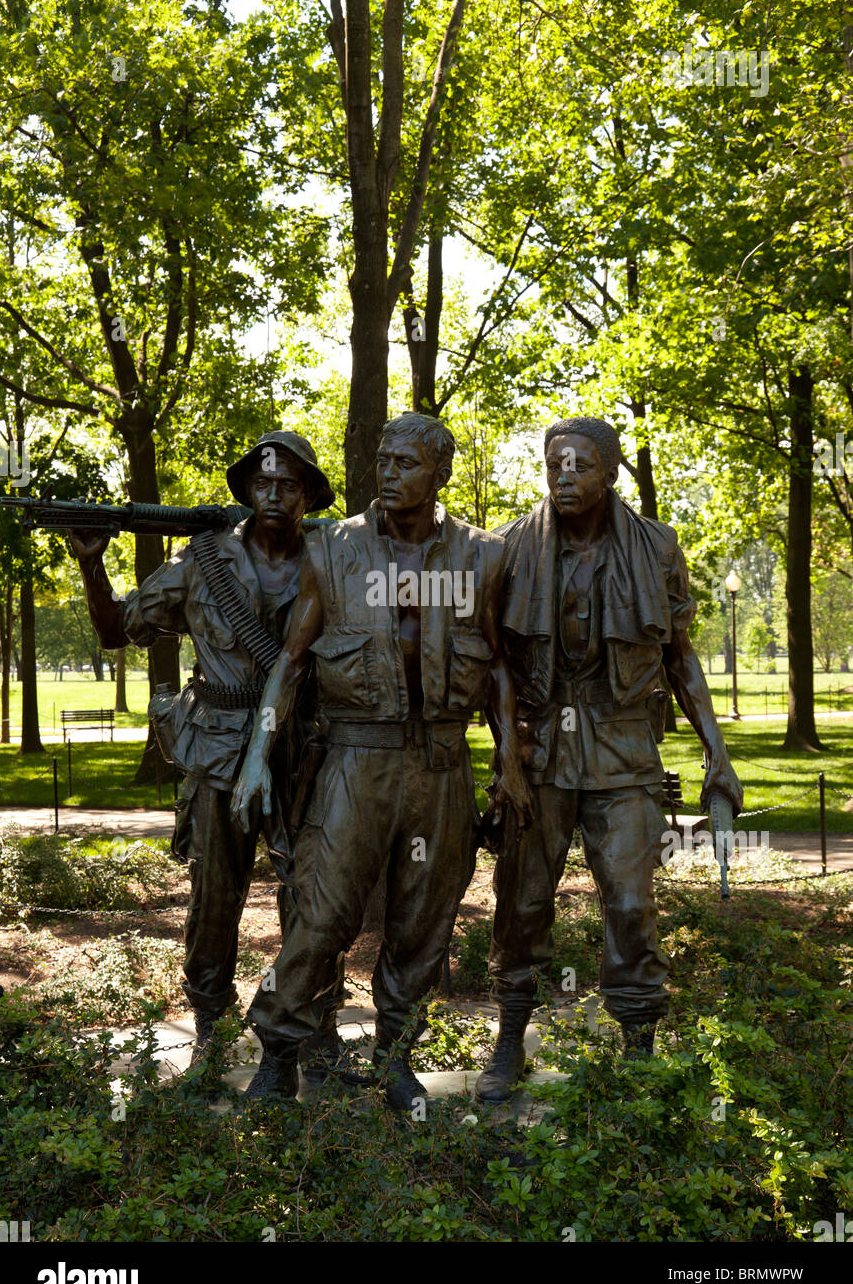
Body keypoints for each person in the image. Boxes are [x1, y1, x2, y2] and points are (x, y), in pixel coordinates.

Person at [231, 412, 532, 1108]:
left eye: (406, 463)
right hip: (353, 761)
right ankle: (280, 1053)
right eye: (383, 460)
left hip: (440, 764)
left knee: (424, 920)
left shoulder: (482, 557)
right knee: (322, 915)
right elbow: (293, 663)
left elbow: (500, 669)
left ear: (440, 474)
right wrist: (255, 757)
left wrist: (509, 761)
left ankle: (396, 1056)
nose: (388, 474)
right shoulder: (333, 550)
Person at [474, 416, 744, 1102]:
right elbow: (492, 663)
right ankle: (509, 1041)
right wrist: (508, 756)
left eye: (580, 464)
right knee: (523, 901)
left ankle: (639, 1047)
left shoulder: (655, 548)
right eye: (554, 462)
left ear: (611, 473)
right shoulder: (506, 548)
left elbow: (679, 657)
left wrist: (718, 751)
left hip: (624, 745)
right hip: (538, 749)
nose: (564, 474)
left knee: (629, 900)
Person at [69, 430, 343, 1079]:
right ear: (248, 490)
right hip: (219, 751)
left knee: (316, 897)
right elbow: (115, 631)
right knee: (214, 900)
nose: (273, 494)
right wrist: (91, 562)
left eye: (288, 485)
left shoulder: (335, 560)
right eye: (263, 483)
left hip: (306, 751)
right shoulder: (204, 561)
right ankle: (211, 1036)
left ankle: (310, 1027)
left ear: (307, 494)